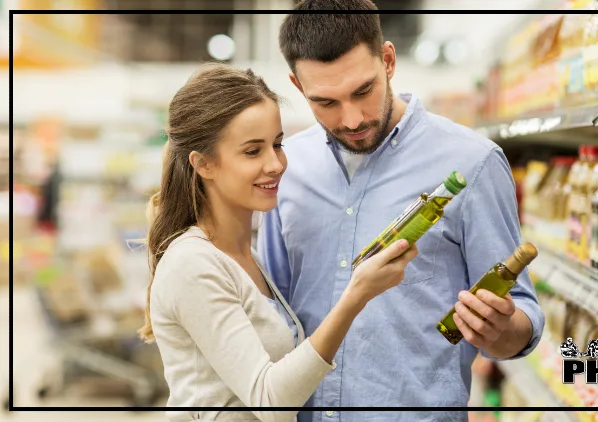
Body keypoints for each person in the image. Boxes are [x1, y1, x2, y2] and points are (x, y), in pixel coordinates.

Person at [256, 1, 545, 421]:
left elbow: (519, 320)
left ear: (388, 60)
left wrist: (501, 330)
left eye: (362, 91)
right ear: (297, 87)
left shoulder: (472, 163)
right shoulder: (286, 168)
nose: (351, 119)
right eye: (326, 103)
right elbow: (273, 310)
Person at [139, 63, 418, 422]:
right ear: (204, 164)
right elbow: (270, 401)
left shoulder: (244, 256)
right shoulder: (193, 264)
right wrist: (356, 295)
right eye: (253, 151)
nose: (276, 164)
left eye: (277, 144)